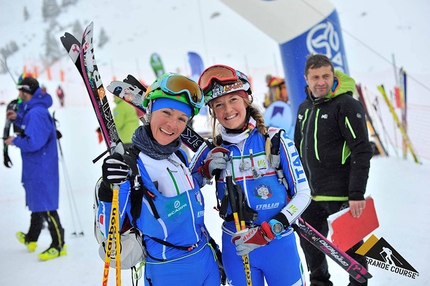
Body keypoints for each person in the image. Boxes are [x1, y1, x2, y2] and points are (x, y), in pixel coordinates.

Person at [190, 64, 311, 286]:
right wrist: (204, 170)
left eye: (233, 100)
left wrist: (269, 231)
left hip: (278, 245)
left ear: (246, 100)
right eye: (219, 104)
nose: (227, 110)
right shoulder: (210, 150)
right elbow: (185, 188)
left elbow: (303, 193)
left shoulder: (275, 141)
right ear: (213, 111)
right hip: (236, 248)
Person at [98, 73, 221, 285]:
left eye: (182, 119)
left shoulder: (179, 156)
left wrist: (203, 173)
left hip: (207, 261)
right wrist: (108, 190)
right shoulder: (131, 167)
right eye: (166, 112)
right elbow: (109, 235)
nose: (173, 125)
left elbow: (184, 193)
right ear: (149, 111)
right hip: (168, 272)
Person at [294, 54, 373, 286]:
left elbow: (362, 150)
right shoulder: (304, 107)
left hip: (341, 195)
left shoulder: (346, 104)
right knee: (311, 250)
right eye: (315, 77)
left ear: (333, 76)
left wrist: (356, 193)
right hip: (310, 196)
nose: (321, 82)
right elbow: (297, 150)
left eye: (326, 76)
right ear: (306, 79)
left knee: (352, 253)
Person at [4, 74, 66, 261]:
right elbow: (30, 125)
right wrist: (17, 118)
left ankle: (58, 245)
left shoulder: (36, 112)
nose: (19, 94)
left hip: (41, 166)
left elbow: (34, 142)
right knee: (38, 202)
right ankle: (32, 237)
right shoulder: (33, 110)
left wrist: (14, 140)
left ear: (27, 91)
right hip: (37, 165)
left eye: (21, 90)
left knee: (46, 206)